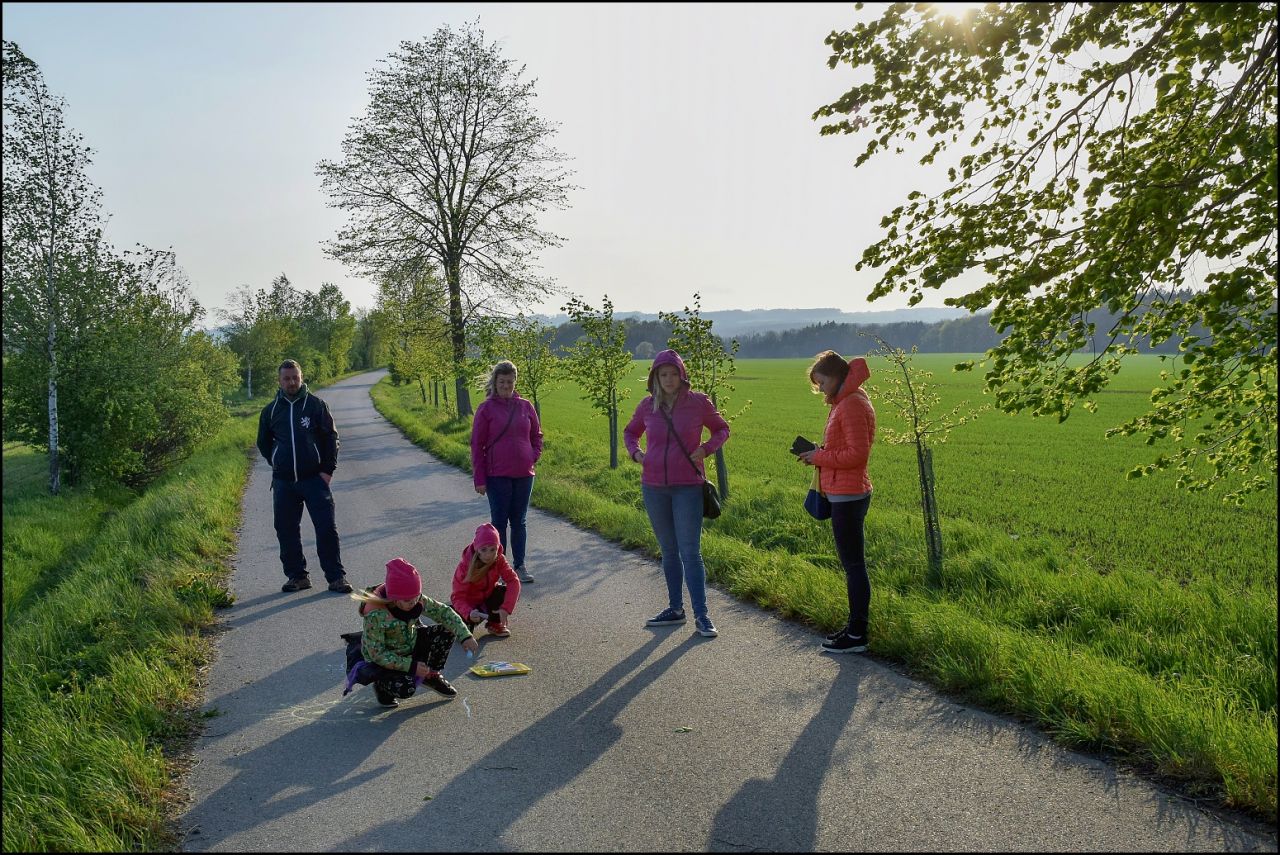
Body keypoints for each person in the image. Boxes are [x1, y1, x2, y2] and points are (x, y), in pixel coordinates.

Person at [623, 349, 731, 638]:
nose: (669, 379)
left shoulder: (698, 402)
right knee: (669, 551)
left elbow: (722, 429)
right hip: (653, 486)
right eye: (663, 374)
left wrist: (706, 449)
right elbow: (630, 432)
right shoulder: (647, 406)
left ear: (682, 375)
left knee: (690, 552)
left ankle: (703, 616)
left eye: (673, 374)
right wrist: (636, 454)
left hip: (688, 487)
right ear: (655, 378)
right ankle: (675, 609)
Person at [797, 350, 876, 654]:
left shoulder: (852, 403)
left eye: (822, 382)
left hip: (849, 493)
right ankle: (855, 628)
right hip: (844, 490)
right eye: (817, 384)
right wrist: (818, 453)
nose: (820, 389)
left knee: (854, 565)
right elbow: (843, 447)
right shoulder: (845, 401)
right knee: (852, 564)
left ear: (837, 376)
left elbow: (858, 454)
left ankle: (857, 634)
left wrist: (819, 456)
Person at [256, 359, 351, 594]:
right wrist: (277, 462)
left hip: (314, 480)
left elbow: (331, 439)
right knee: (286, 530)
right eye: (286, 378)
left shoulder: (316, 406)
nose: (291, 382)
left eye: (295, 378)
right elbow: (263, 443)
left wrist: (327, 471)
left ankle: (336, 577)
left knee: (326, 528)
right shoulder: (270, 411)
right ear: (279, 381)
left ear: (301, 378)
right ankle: (297, 577)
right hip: (284, 482)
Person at [342, 557, 480, 707]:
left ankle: (430, 675)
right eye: (408, 600)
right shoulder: (376, 615)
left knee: (448, 629)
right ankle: (382, 687)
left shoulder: (413, 597)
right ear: (394, 598)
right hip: (385, 660)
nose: (414, 602)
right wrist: (411, 666)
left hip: (409, 643)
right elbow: (377, 654)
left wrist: (465, 635)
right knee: (406, 689)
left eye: (416, 597)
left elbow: (444, 612)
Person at [471, 360, 543, 584]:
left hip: (524, 474)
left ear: (515, 382)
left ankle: (519, 566)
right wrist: (479, 478)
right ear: (495, 382)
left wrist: (532, 456)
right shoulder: (486, 409)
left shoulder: (526, 406)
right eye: (502, 381)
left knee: (519, 522)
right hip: (497, 475)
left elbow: (537, 436)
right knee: (499, 522)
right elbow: (477, 445)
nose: (506, 386)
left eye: (510, 381)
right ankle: (498, 570)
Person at [450, 523, 522, 637]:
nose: (488, 555)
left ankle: (494, 623)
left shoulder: (499, 559)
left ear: (498, 547)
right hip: (470, 606)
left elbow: (513, 581)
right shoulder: (465, 566)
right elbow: (457, 596)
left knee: (503, 591)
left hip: (487, 601)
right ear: (477, 549)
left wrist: (506, 608)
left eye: (493, 549)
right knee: (462, 632)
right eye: (484, 550)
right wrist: (468, 612)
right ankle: (451, 616)